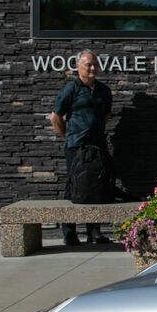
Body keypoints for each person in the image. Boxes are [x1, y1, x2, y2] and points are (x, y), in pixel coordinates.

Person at [48, 49, 113, 245]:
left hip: (97, 146)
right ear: (78, 66)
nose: (92, 68)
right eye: (88, 65)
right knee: (74, 186)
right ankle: (69, 232)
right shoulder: (71, 90)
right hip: (76, 146)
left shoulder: (104, 91)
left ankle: (94, 232)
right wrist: (67, 137)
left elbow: (105, 116)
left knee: (96, 186)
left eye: (95, 65)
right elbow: (55, 118)